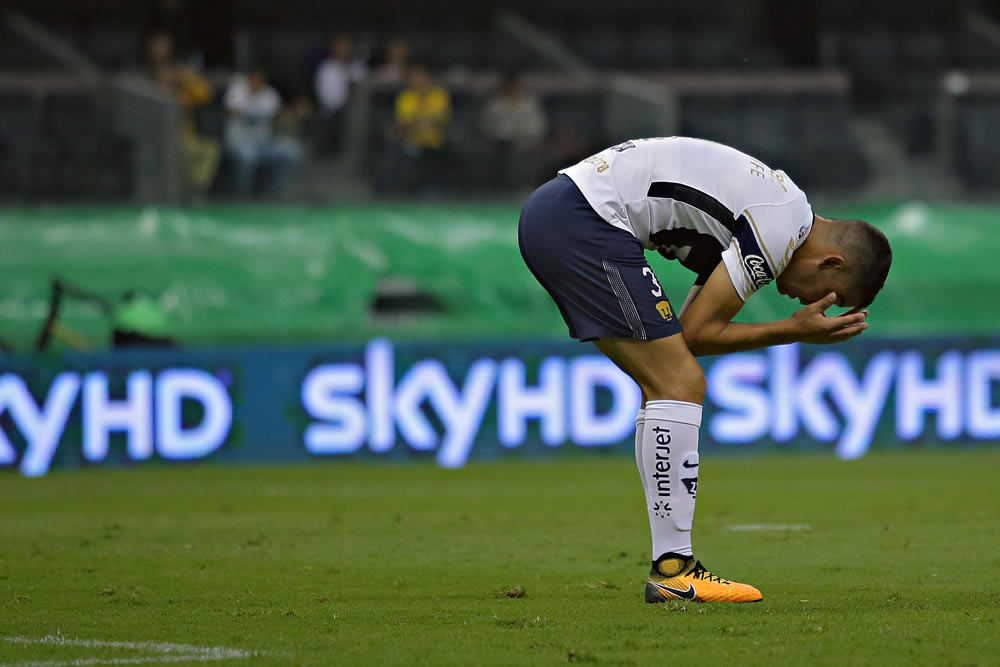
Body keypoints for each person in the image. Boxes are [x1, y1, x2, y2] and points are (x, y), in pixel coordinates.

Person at [517, 137, 892, 604]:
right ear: (830, 261)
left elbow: (689, 335)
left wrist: (792, 329)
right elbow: (699, 331)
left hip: (566, 211)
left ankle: (672, 568)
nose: (818, 304)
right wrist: (792, 330)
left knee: (669, 383)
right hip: (582, 220)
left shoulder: (774, 213)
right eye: (833, 294)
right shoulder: (778, 228)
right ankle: (674, 570)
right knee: (679, 383)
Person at [146, 32, 220, 194]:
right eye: (157, 48)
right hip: (157, 139)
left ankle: (196, 189)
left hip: (184, 138)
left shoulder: (180, 95)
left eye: (164, 47)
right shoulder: (148, 83)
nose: (160, 51)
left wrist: (184, 77)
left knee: (210, 150)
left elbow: (206, 93)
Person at [223, 69, 302, 197]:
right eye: (253, 81)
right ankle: (242, 195)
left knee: (292, 151)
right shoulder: (237, 91)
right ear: (248, 80)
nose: (256, 84)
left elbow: (280, 115)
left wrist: (294, 112)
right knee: (248, 156)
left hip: (263, 143)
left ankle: (272, 192)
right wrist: (249, 103)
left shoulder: (270, 95)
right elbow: (230, 111)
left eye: (259, 81)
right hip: (239, 142)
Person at [480, 73, 548, 188]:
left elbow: (539, 126)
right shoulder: (495, 105)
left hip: (527, 141)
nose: (512, 91)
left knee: (526, 154)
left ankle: (525, 185)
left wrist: (530, 137)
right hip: (501, 143)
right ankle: (502, 186)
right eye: (509, 89)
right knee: (507, 153)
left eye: (514, 88)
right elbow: (486, 126)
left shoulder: (529, 104)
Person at [313, 35, 366, 156]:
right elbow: (324, 95)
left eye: (346, 47)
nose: (344, 49)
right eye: (340, 46)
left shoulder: (356, 66)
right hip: (332, 110)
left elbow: (363, 85)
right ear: (334, 48)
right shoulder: (326, 67)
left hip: (355, 109)